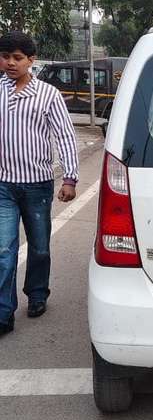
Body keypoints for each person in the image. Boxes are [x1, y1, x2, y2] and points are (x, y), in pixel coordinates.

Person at [0, 31, 79, 337]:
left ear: (31, 60)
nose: (10, 63)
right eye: (5, 57)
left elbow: (65, 136)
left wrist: (70, 178)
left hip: (37, 186)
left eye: (17, 58)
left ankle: (36, 293)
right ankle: (4, 313)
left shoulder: (48, 95)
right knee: (4, 251)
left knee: (40, 247)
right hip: (4, 185)